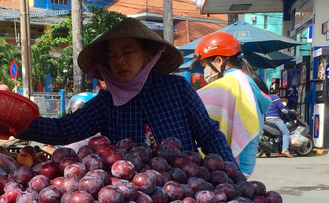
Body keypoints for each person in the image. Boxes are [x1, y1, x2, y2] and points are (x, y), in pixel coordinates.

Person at [16, 18, 236, 164]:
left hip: (186, 190)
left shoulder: (177, 88)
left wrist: (231, 174)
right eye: (113, 55)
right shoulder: (106, 103)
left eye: (128, 52)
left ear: (148, 54)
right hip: (133, 202)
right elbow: (63, 130)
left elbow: (209, 135)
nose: (120, 61)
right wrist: (13, 122)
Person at [194, 31, 272, 177]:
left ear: (218, 60)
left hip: (232, 164)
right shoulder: (248, 80)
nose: (205, 71)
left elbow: (196, 102)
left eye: (205, 65)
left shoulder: (232, 83)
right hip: (246, 163)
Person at [265, 89, 293, 158]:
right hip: (275, 119)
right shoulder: (276, 98)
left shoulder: (267, 97)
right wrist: (291, 112)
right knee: (286, 132)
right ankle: (285, 150)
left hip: (267, 119)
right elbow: (283, 109)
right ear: (277, 92)